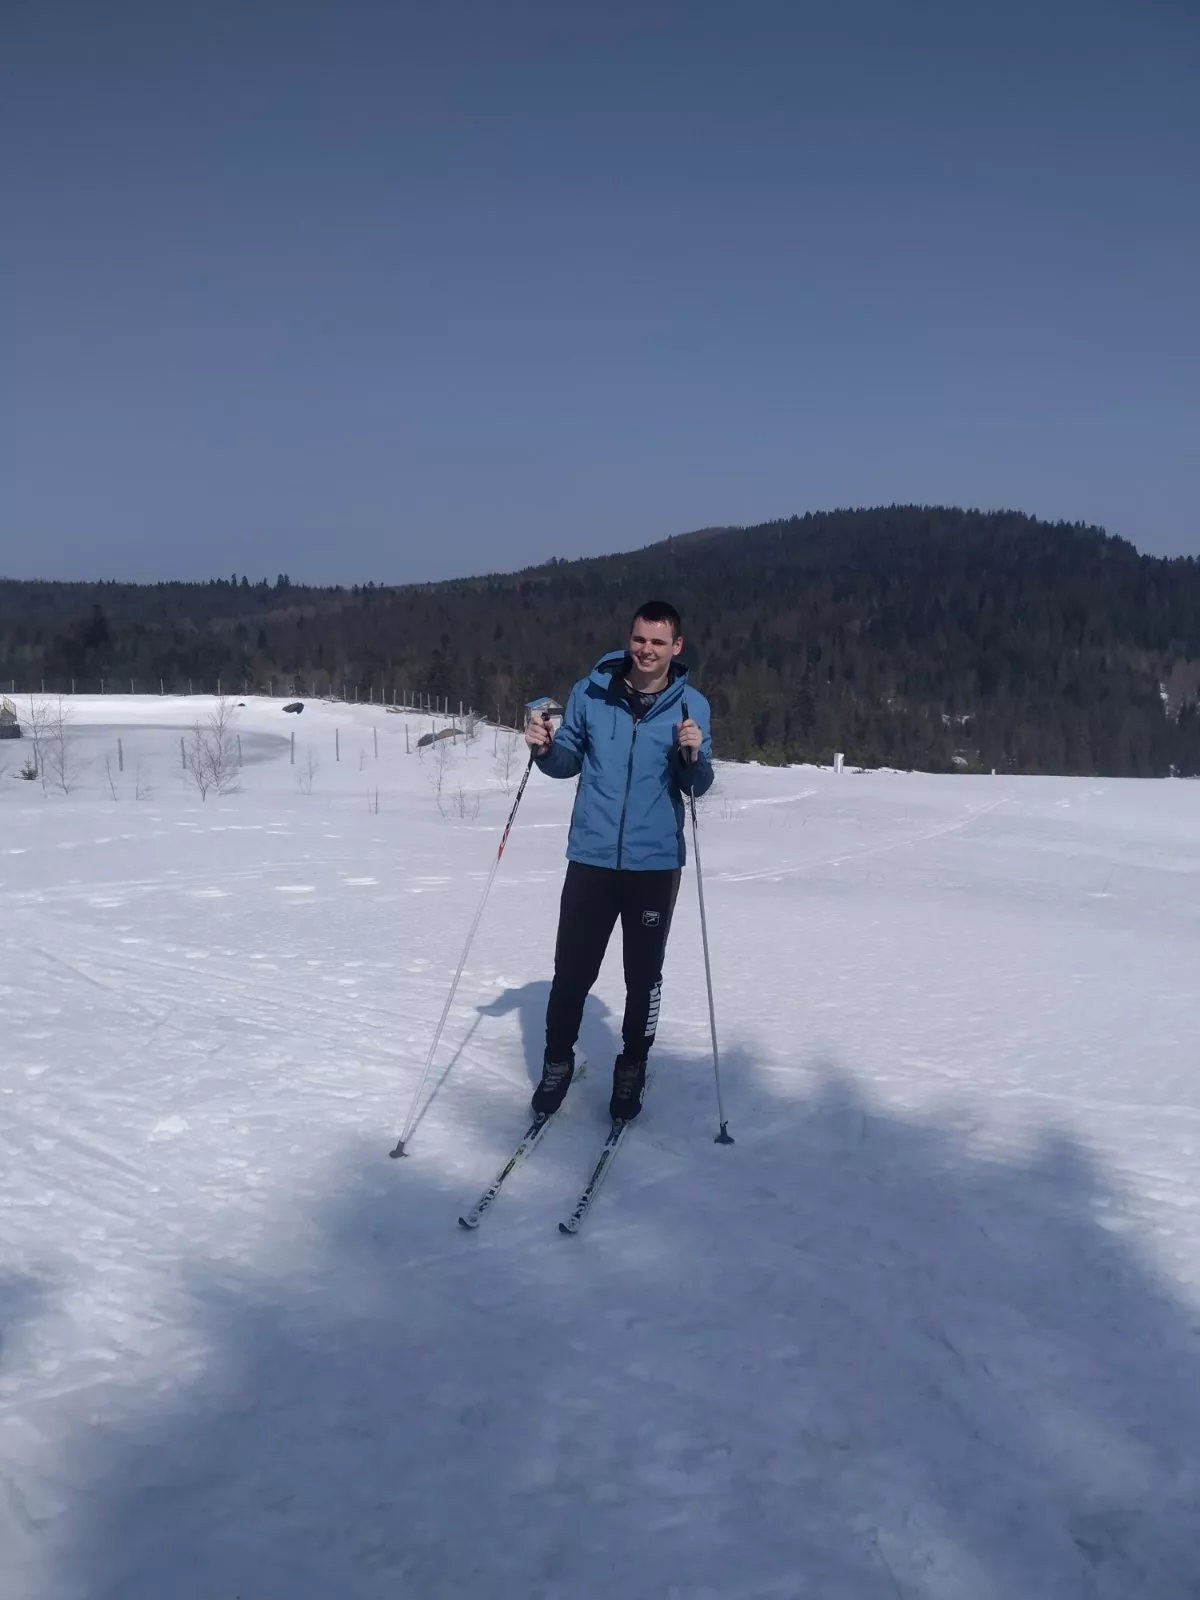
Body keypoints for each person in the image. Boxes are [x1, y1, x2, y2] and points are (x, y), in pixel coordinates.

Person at [524, 600, 714, 1123]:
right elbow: (567, 762)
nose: (646, 650)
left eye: (658, 642)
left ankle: (632, 1066)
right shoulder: (590, 693)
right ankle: (557, 1063)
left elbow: (696, 786)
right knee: (572, 973)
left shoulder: (689, 705)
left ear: (676, 648)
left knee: (643, 977)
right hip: (591, 857)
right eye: (639, 639)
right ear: (629, 639)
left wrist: (692, 756)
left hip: (654, 865)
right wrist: (543, 750)